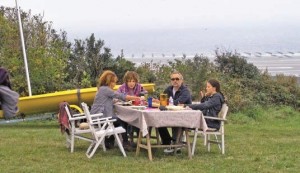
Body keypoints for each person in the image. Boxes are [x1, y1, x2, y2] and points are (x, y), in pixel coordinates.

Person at [90, 70, 140, 151]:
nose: (114, 84)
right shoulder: (105, 89)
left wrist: (114, 101)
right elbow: (120, 96)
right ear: (108, 81)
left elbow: (107, 100)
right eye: (113, 82)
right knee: (122, 120)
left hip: (98, 117)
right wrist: (135, 98)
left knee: (117, 120)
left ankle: (110, 142)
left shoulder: (102, 89)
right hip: (100, 118)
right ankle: (125, 143)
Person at [158, 71, 192, 151]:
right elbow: (162, 100)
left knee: (177, 122)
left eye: (177, 79)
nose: (175, 81)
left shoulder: (185, 91)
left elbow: (178, 102)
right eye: (173, 79)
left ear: (181, 80)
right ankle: (167, 142)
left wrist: (166, 102)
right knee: (157, 120)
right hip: (169, 114)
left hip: (184, 117)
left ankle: (175, 145)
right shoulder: (168, 89)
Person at [116, 71, 146, 148]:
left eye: (133, 81)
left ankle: (140, 137)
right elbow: (116, 96)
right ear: (126, 81)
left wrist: (142, 94)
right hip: (125, 110)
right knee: (123, 120)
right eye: (129, 81)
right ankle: (126, 141)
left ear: (136, 81)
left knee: (140, 117)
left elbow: (145, 92)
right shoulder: (122, 87)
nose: (131, 83)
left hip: (136, 109)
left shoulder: (139, 86)